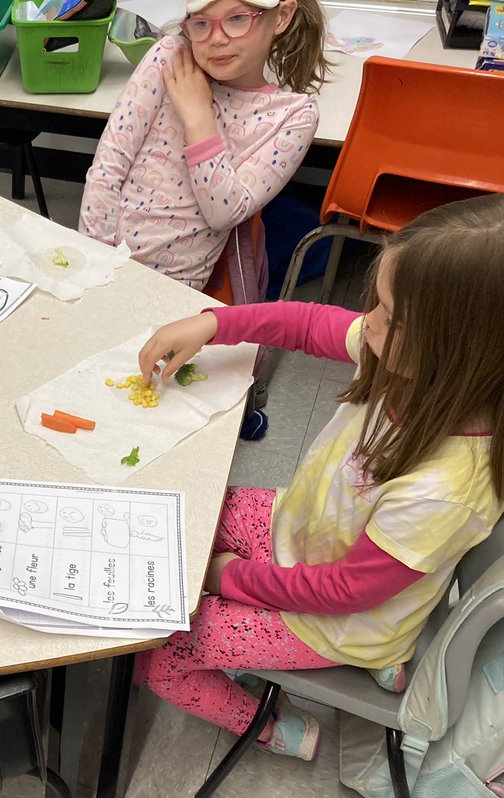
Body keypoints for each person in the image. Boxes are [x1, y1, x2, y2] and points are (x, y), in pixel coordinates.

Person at [132, 194, 504, 759]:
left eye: (388, 318)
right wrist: (213, 322)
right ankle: (383, 654)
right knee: (190, 507)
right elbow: (306, 323)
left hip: (338, 621)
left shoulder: (446, 490)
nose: (369, 324)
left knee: (159, 656)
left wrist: (228, 578)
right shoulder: (408, 360)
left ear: (460, 351)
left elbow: (344, 591)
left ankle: (276, 729)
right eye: (376, 305)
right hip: (306, 533)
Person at [79, 0, 329, 292]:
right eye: (201, 23)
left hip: (174, 289)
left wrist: (198, 117)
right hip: (100, 264)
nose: (217, 39)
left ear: (281, 16)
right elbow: (108, 168)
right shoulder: (172, 58)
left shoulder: (293, 115)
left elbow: (223, 214)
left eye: (237, 19)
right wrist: (98, 262)